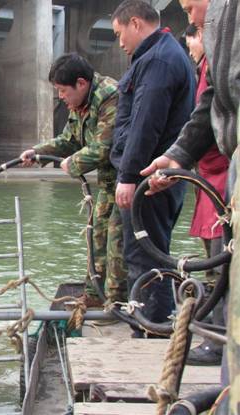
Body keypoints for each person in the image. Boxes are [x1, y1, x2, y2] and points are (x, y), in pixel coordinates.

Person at [140, 0, 239, 409]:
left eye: (191, 7)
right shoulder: (221, 20)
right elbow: (216, 97)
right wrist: (180, 154)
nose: (192, 19)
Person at [109, 0, 196, 337]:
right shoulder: (164, 55)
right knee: (152, 251)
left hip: (150, 180)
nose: (119, 42)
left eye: (119, 34)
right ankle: (154, 324)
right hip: (159, 177)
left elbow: (145, 125)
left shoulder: (158, 60)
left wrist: (129, 177)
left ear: (135, 23)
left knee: (144, 256)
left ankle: (151, 328)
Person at [20, 53, 127, 306]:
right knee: (96, 236)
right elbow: (69, 140)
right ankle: (94, 296)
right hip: (109, 183)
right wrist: (38, 152)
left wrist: (74, 163)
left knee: (117, 242)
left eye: (62, 90)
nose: (60, 96)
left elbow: (105, 147)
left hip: (128, 180)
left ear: (81, 83)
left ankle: (117, 303)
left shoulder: (110, 95)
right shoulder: (79, 104)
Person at [183, 23, 228, 366]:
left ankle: (218, 342)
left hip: (223, 178)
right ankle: (217, 335)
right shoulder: (206, 68)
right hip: (208, 177)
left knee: (219, 264)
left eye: (194, 39)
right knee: (215, 263)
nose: (192, 48)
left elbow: (206, 122)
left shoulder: (217, 65)